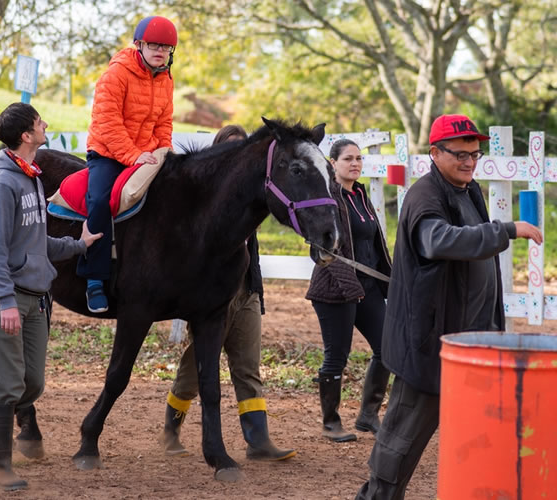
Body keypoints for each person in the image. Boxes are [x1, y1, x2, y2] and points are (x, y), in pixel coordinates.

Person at [355, 114, 543, 499]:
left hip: (468, 345)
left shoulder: (467, 189)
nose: (469, 162)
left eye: (475, 154)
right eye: (459, 154)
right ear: (434, 153)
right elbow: (438, 240)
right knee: (400, 442)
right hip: (427, 344)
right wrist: (507, 229)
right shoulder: (426, 194)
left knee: (477, 436)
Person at [0, 102, 101, 491]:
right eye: (39, 122)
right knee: (8, 385)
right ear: (25, 135)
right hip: (6, 297)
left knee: (31, 384)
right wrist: (5, 301)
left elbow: (36, 242)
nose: (45, 125)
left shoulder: (31, 178)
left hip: (34, 296)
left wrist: (78, 244)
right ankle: (1, 464)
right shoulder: (3, 186)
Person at [161, 124, 295, 461]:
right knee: (193, 373)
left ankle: (258, 441)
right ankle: (171, 428)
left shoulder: (253, 201)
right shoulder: (204, 208)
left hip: (246, 291)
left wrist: (257, 291)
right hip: (209, 299)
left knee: (248, 368)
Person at [78, 15, 177, 313]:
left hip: (145, 153)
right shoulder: (115, 75)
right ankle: (94, 279)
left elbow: (164, 123)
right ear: (139, 45)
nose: (160, 51)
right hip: (107, 152)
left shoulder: (166, 79)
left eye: (166, 47)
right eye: (154, 45)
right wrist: (132, 155)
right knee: (98, 200)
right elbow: (107, 124)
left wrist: (164, 153)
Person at [306, 139, 392, 442]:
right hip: (334, 290)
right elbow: (320, 250)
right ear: (332, 164)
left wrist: (390, 283)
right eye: (347, 159)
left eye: (358, 159)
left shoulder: (360, 194)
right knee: (336, 357)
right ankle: (331, 422)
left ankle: (368, 415)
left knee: (387, 349)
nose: (355, 164)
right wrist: (350, 285)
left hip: (367, 288)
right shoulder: (325, 198)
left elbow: (376, 243)